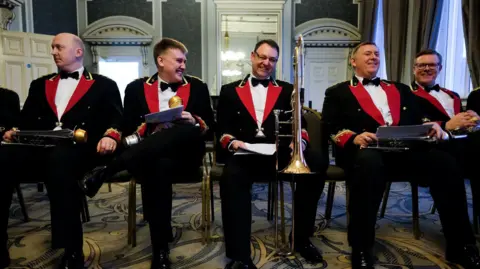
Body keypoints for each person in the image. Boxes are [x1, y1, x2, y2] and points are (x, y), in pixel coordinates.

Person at [322, 42, 480, 269]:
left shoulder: (399, 89)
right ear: (353, 61)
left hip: (404, 151)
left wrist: (435, 127)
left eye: (377, 54)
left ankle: (461, 245)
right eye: (367, 53)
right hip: (366, 152)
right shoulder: (337, 91)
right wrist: (354, 137)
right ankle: (361, 247)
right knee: (369, 165)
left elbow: (418, 121)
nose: (374, 57)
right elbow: (330, 126)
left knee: (444, 163)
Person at [81, 38, 214, 269]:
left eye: (184, 61)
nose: (183, 66)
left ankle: (107, 169)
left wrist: (193, 119)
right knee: (158, 166)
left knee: (184, 131)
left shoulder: (198, 86)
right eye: (179, 61)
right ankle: (160, 250)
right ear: (161, 61)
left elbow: (209, 126)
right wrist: (151, 127)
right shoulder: (135, 88)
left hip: (186, 155)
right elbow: (128, 124)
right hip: (150, 157)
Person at [0, 33, 123, 269]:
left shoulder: (104, 85)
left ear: (78, 52)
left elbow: (116, 119)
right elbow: (27, 121)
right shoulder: (40, 84)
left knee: (61, 161)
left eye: (59, 47)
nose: (53, 52)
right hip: (41, 149)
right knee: (2, 157)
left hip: (81, 151)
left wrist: (110, 135)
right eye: (52, 47)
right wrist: (14, 131)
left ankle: (72, 249)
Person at [217, 39, 328, 269]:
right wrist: (233, 142)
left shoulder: (288, 89)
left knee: (316, 162)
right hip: (245, 155)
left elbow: (302, 125)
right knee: (231, 177)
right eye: (262, 57)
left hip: (279, 154)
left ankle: (301, 238)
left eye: (272, 59)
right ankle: (239, 255)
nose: (266, 63)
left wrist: (299, 144)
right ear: (252, 56)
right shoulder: (230, 90)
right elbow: (222, 129)